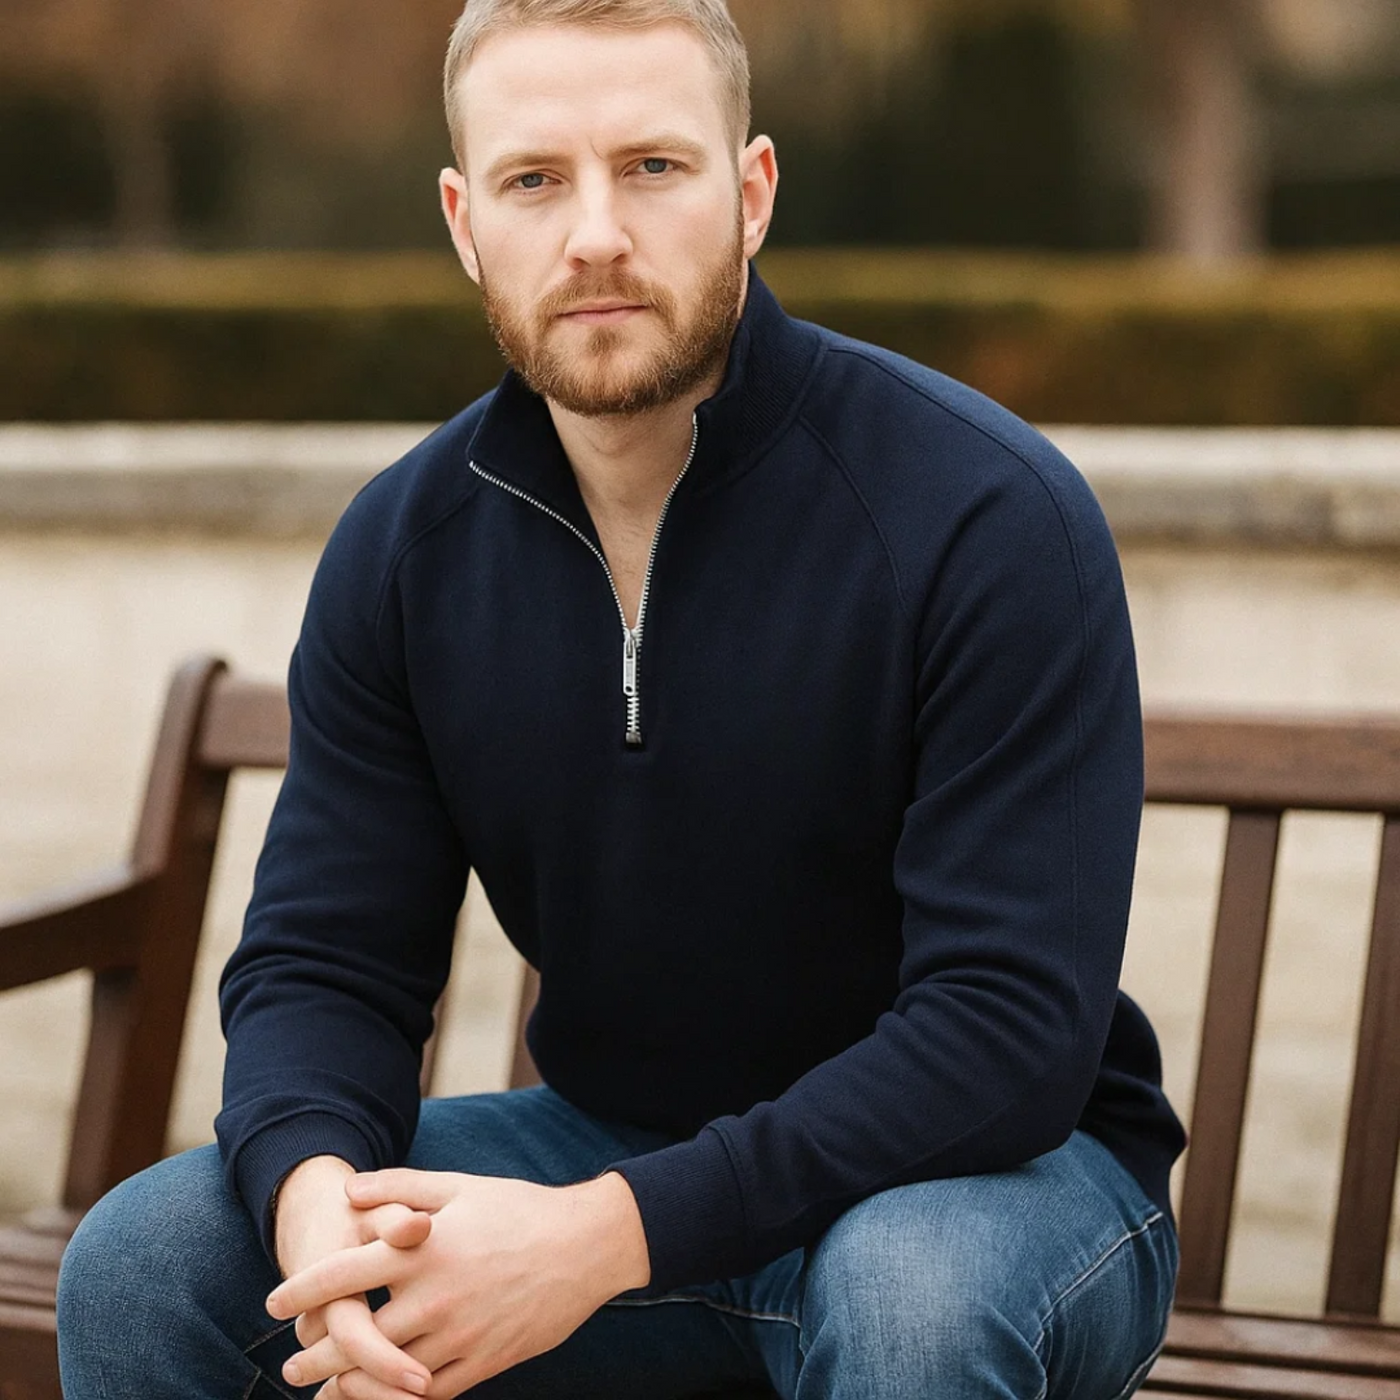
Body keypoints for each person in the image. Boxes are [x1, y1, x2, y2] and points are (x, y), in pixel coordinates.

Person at [56, 2, 1186, 1396]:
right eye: (538, 180)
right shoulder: (409, 552)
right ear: (468, 224)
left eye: (654, 166)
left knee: (907, 1304)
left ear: (752, 192)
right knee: (147, 1263)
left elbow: (1007, 1036)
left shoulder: (983, 514)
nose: (596, 234)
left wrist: (604, 1239)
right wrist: (314, 1203)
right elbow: (326, 960)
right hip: (608, 1147)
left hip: (993, 1182)